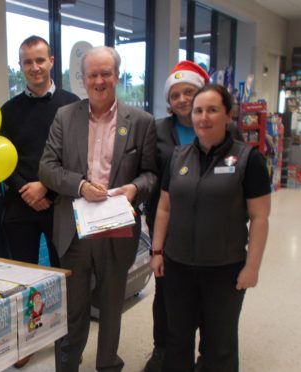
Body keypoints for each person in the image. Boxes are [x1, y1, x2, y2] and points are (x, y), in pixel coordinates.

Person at [39, 46, 157, 372]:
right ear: (83, 79)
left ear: (116, 76)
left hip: (117, 231)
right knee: (74, 310)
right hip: (75, 231)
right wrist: (80, 185)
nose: (99, 80)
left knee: (110, 307)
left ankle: (107, 365)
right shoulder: (65, 116)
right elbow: (47, 168)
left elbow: (151, 174)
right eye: (93, 74)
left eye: (106, 73)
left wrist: (136, 188)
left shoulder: (141, 122)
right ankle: (68, 366)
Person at [149, 84, 271, 372]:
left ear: (228, 115)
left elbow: (260, 218)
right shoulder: (178, 157)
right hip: (177, 265)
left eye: (212, 110)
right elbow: (164, 208)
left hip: (224, 269)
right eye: (198, 110)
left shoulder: (248, 160)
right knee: (177, 339)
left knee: (220, 344)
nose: (204, 117)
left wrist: (252, 267)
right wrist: (157, 251)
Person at [144, 60, 210, 371]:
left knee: (207, 294)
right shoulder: (156, 130)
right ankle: (162, 349)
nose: (182, 99)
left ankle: (206, 355)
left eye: (189, 92)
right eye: (175, 94)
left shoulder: (222, 127)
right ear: (169, 101)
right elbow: (146, 172)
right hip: (166, 226)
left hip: (211, 227)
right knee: (165, 292)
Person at [0, 35, 79, 268]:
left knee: (63, 273)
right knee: (23, 278)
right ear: (20, 65)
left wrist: (46, 188)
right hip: (19, 206)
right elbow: (0, 161)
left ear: (51, 61)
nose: (34, 67)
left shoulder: (73, 105)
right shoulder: (8, 111)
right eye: (27, 62)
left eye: (40, 60)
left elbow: (76, 156)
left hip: (60, 204)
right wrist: (27, 191)